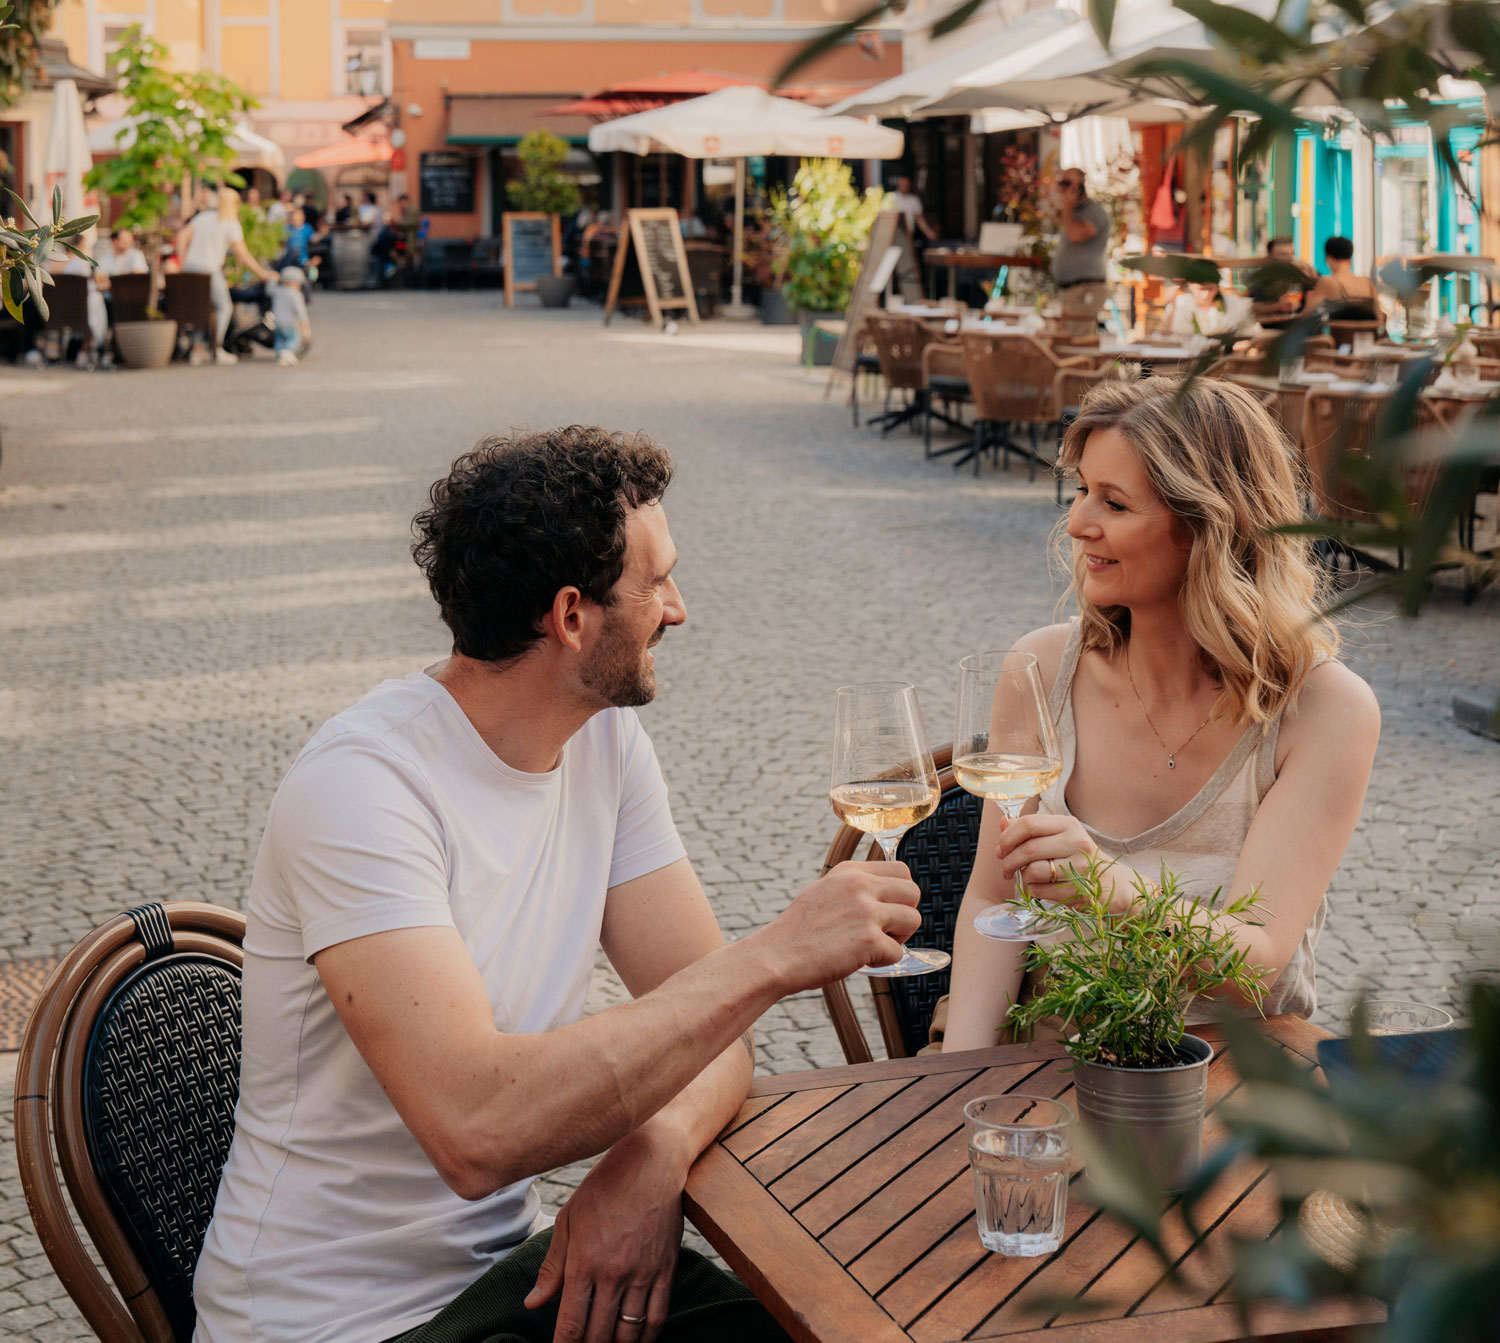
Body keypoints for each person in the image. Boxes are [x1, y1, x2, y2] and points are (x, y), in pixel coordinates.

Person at [192, 427, 922, 1343]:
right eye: (657, 583)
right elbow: (476, 1131)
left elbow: (717, 1034)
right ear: (571, 616)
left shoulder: (604, 741)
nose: (679, 609)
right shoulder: (363, 788)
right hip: (337, 1321)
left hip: (513, 1282)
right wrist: (775, 955)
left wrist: (652, 1153)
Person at [936, 378, 1380, 1054]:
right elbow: (993, 901)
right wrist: (963, 1076)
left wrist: (1107, 885)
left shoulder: (1323, 709)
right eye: (1081, 490)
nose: (1078, 523)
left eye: (1114, 502)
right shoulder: (1041, 670)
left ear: (1209, 527)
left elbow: (1257, 967)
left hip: (1231, 1070)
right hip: (1048, 1058)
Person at [176, 184, 275, 365]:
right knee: (224, 307)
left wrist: (183, 261)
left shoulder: (204, 217)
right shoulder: (230, 223)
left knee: (199, 308)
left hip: (191, 268)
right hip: (209, 269)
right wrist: (262, 273)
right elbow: (243, 254)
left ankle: (197, 350)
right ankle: (218, 348)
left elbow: (182, 236)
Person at [1051, 168, 1112, 328]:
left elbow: (1076, 235)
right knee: (1066, 337)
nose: (1063, 188)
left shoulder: (1093, 211)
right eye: (1061, 183)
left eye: (1067, 183)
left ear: (1080, 186)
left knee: (1077, 337)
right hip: (1072, 288)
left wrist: (1066, 207)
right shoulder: (1073, 212)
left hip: (1086, 288)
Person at [1303, 235, 1381, 321]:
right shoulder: (1367, 282)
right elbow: (1379, 317)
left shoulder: (1327, 281)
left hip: (1339, 330)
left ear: (1329, 258)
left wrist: (1308, 299)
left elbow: (1306, 315)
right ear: (1350, 259)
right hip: (1371, 329)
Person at [1161, 278, 1255, 337]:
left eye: (1210, 289)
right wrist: (1173, 307)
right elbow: (1165, 333)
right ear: (1191, 285)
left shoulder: (1232, 303)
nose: (1206, 294)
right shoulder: (1181, 303)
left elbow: (1250, 327)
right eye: (1200, 289)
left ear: (1217, 287)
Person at [270, 265, 311, 365]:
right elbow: (300, 311)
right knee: (294, 337)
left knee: (280, 338)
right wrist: (305, 325)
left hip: (276, 321)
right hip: (290, 322)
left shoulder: (277, 290)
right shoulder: (296, 294)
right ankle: (288, 352)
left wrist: (272, 279)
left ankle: (280, 353)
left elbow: (268, 289)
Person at [888, 174, 937, 245]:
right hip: (894, 234)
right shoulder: (890, 198)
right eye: (903, 185)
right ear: (898, 185)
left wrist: (928, 232)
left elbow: (919, 218)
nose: (905, 187)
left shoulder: (914, 199)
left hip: (909, 233)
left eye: (906, 185)